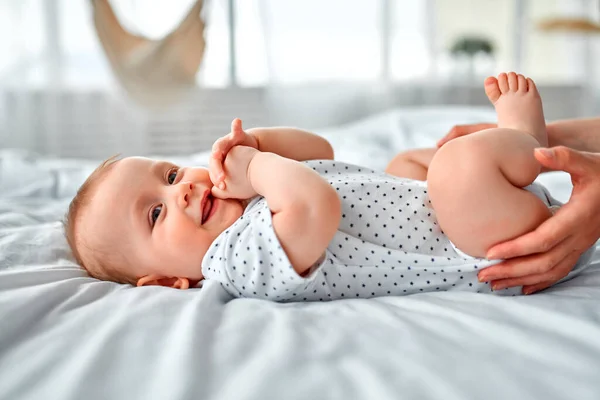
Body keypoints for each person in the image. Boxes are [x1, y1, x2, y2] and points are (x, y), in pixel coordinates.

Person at [64, 72, 595, 300]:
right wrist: (255, 170)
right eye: (154, 214)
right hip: (473, 247)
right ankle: (526, 142)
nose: (178, 191)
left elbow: (321, 154)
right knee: (456, 168)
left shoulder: (244, 200)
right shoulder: (233, 261)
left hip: (441, 216)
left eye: (170, 174)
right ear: (162, 282)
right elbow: (314, 204)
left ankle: (515, 159)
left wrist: (261, 144)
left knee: (407, 161)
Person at [435, 92, 600, 294]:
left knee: (428, 162)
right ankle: (527, 141)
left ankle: (527, 143)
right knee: (459, 160)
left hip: (440, 225)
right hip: (487, 243)